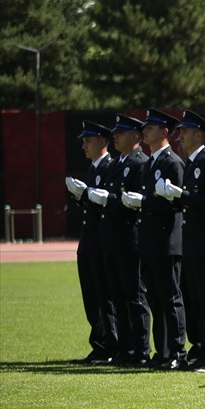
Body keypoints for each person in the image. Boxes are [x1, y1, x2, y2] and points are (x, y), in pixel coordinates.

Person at [160, 110, 205, 373]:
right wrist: (176, 197)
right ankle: (201, 348)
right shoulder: (192, 162)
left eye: (185, 132)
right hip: (193, 241)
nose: (180, 137)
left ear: (199, 135)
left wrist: (184, 195)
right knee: (197, 299)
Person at [130, 109, 187, 370]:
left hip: (166, 240)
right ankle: (162, 351)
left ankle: (176, 351)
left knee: (170, 298)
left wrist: (147, 201)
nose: (145, 131)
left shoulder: (172, 162)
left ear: (165, 131)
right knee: (155, 298)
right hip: (151, 240)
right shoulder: (151, 162)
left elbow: (176, 204)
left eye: (150, 127)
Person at [65, 120, 116, 364]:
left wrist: (84, 194)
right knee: (91, 297)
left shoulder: (109, 167)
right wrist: (80, 197)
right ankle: (99, 344)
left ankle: (109, 345)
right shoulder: (94, 168)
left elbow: (107, 203)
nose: (84, 145)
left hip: (102, 241)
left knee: (104, 296)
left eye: (88, 140)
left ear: (103, 142)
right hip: (89, 242)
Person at [101, 114, 150, 367]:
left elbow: (137, 201)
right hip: (113, 240)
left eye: (121, 133)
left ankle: (140, 350)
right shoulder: (115, 163)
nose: (115, 137)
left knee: (135, 296)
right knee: (118, 296)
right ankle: (124, 349)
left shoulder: (141, 163)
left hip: (131, 240)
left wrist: (111, 199)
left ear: (135, 136)